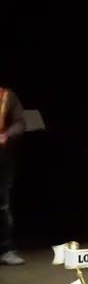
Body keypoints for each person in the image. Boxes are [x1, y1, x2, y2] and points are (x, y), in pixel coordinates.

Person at [0, 84, 26, 265]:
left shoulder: (7, 96)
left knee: (2, 204)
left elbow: (20, 123)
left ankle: (6, 249)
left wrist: (6, 135)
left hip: (2, 159)